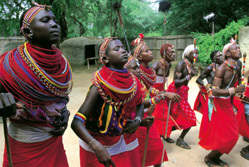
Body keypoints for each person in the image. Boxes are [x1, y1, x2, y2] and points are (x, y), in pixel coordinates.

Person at [0, 2, 73, 167]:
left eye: (55, 20)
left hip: (53, 142)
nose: (54, 24)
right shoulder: (9, 65)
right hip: (24, 149)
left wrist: (64, 112)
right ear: (27, 32)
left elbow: (59, 96)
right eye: (46, 20)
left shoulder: (60, 64)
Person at [71, 37, 145, 167]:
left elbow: (140, 102)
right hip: (95, 148)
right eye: (117, 49)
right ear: (105, 59)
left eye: (123, 47)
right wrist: (95, 145)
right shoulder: (99, 85)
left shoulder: (133, 81)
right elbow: (76, 122)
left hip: (118, 143)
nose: (123, 51)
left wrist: (138, 120)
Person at [131, 34, 181, 167]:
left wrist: (162, 93)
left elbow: (150, 89)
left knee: (157, 149)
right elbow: (140, 98)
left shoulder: (147, 71)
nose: (151, 53)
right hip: (137, 117)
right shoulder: (136, 73)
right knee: (139, 152)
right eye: (146, 51)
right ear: (139, 56)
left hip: (146, 114)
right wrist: (162, 96)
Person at [199, 39, 245, 167]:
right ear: (228, 54)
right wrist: (234, 90)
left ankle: (216, 157)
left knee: (232, 135)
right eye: (235, 48)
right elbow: (214, 91)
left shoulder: (237, 65)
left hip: (228, 104)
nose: (239, 50)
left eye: (239, 48)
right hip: (219, 104)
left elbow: (239, 80)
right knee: (227, 135)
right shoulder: (221, 68)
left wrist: (240, 91)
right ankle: (209, 158)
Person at [167, 44, 198, 149]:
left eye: (197, 53)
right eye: (194, 53)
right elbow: (176, 83)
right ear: (187, 54)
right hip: (176, 93)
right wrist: (190, 76)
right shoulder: (181, 64)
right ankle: (180, 139)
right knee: (190, 118)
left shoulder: (191, 65)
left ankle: (164, 132)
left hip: (183, 94)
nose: (196, 55)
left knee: (177, 117)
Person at [194, 50, 223, 139]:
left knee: (216, 113)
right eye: (219, 56)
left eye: (222, 55)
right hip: (208, 93)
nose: (222, 57)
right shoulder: (210, 68)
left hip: (217, 93)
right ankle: (207, 133)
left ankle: (213, 132)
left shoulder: (222, 67)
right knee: (210, 113)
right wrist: (208, 86)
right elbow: (198, 80)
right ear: (214, 58)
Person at [151, 43, 176, 143]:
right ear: (163, 54)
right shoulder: (156, 65)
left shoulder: (169, 65)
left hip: (162, 93)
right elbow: (148, 84)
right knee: (157, 116)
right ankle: (156, 137)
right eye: (171, 52)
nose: (174, 54)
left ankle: (165, 134)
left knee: (166, 115)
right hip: (154, 95)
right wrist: (159, 93)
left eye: (174, 52)